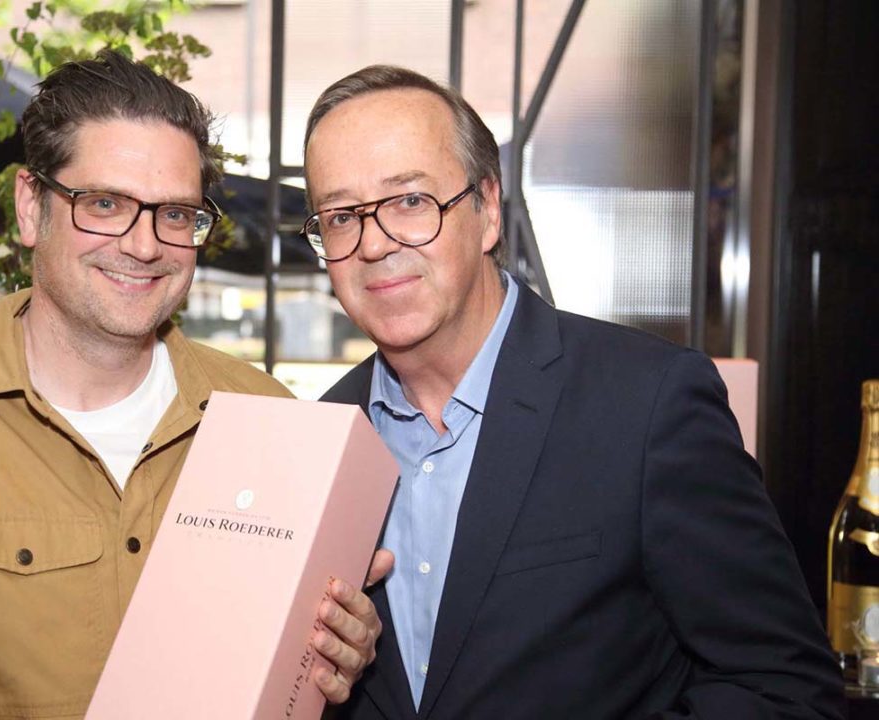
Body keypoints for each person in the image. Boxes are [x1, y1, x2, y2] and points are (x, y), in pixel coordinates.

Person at [0, 50, 387, 718]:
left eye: (175, 214)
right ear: (31, 207)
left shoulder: (267, 418)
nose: (145, 245)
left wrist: (336, 648)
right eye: (105, 204)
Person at [302, 65, 845, 719]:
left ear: (488, 211)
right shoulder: (322, 437)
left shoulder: (647, 404)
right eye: (341, 216)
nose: (374, 244)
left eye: (411, 201)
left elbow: (784, 688)